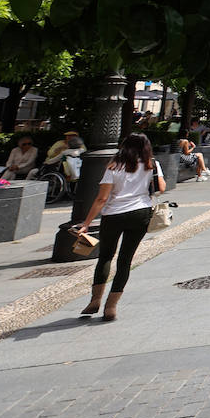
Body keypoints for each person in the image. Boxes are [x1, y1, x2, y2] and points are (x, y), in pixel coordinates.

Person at [72, 132, 165, 321]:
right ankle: (111, 306)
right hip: (140, 213)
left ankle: (95, 300)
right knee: (125, 260)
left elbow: (102, 198)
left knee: (105, 257)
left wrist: (86, 223)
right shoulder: (151, 164)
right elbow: (161, 188)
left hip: (113, 215)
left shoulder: (114, 166)